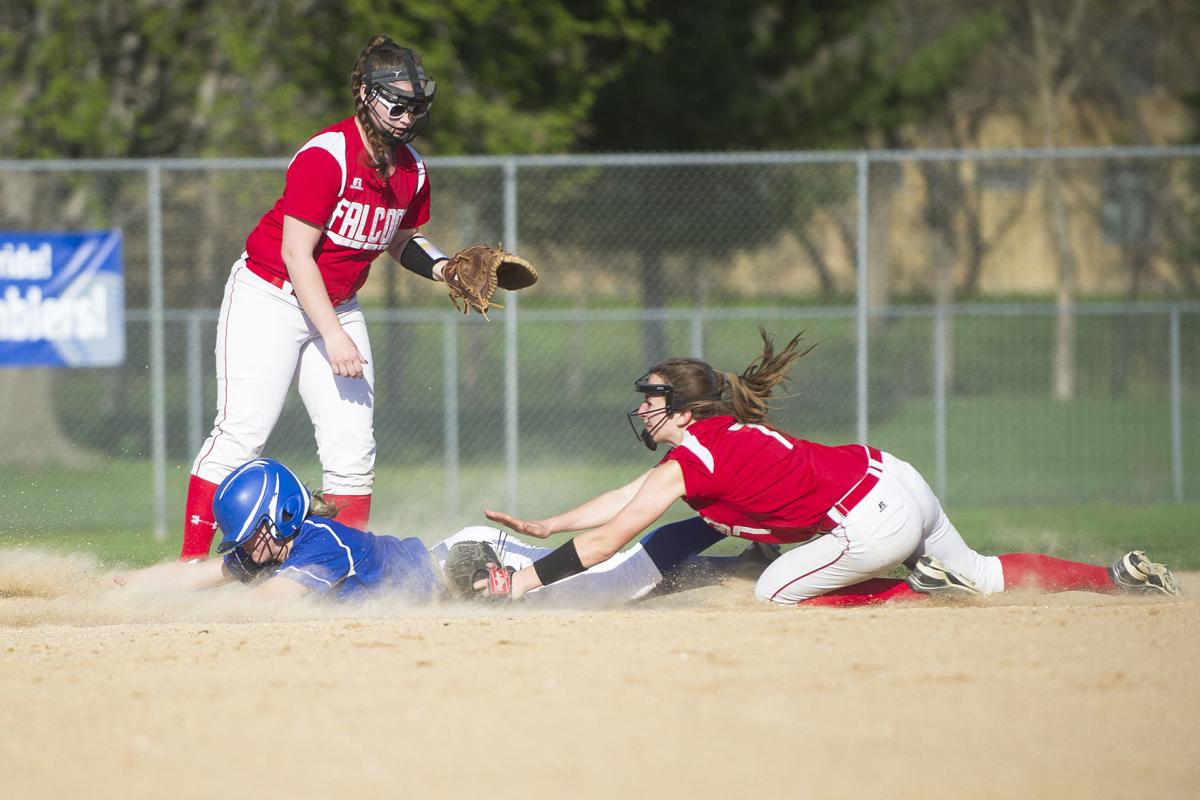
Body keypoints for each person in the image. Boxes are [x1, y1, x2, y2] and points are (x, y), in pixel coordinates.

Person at [482, 328, 1181, 606]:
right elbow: (623, 497)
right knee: (991, 575)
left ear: (687, 410)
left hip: (869, 526)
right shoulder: (723, 431)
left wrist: (521, 581)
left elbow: (610, 540)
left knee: (772, 595)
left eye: (655, 400)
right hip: (894, 478)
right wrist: (547, 522)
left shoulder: (689, 460)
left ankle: (915, 592)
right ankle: (1116, 580)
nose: (644, 411)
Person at [180, 35, 497, 559]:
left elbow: (396, 237)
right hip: (271, 296)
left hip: (338, 303)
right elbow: (297, 254)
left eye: (415, 106)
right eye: (396, 103)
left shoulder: (412, 169)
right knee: (242, 432)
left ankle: (342, 565)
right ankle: (188, 566)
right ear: (367, 97)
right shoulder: (326, 157)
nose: (406, 115)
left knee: (353, 448)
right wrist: (334, 336)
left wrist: (442, 268)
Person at [128, 458, 758, 607]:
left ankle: (723, 528)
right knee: (620, 589)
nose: (244, 551)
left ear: (285, 517)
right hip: (451, 574)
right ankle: (736, 567)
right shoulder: (276, 546)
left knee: (616, 582)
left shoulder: (315, 545)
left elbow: (269, 604)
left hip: (469, 564)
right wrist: (125, 588)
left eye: (252, 536)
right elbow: (203, 572)